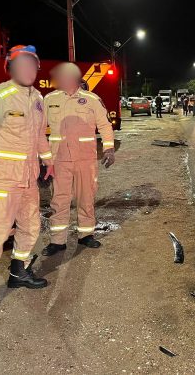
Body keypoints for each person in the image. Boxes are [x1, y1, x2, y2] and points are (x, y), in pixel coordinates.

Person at [0, 45, 54, 313]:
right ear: (11, 68)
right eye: (22, 65)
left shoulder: (38, 98)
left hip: (29, 177)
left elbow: (41, 134)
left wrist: (48, 160)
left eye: (33, 65)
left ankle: (19, 273)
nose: (28, 70)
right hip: (5, 177)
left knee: (31, 225)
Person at [42, 62, 115, 256]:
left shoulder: (91, 100)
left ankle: (86, 235)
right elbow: (39, 129)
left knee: (86, 198)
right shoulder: (50, 99)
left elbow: (105, 126)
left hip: (85, 159)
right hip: (59, 160)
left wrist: (109, 149)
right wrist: (41, 156)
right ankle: (58, 241)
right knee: (59, 200)